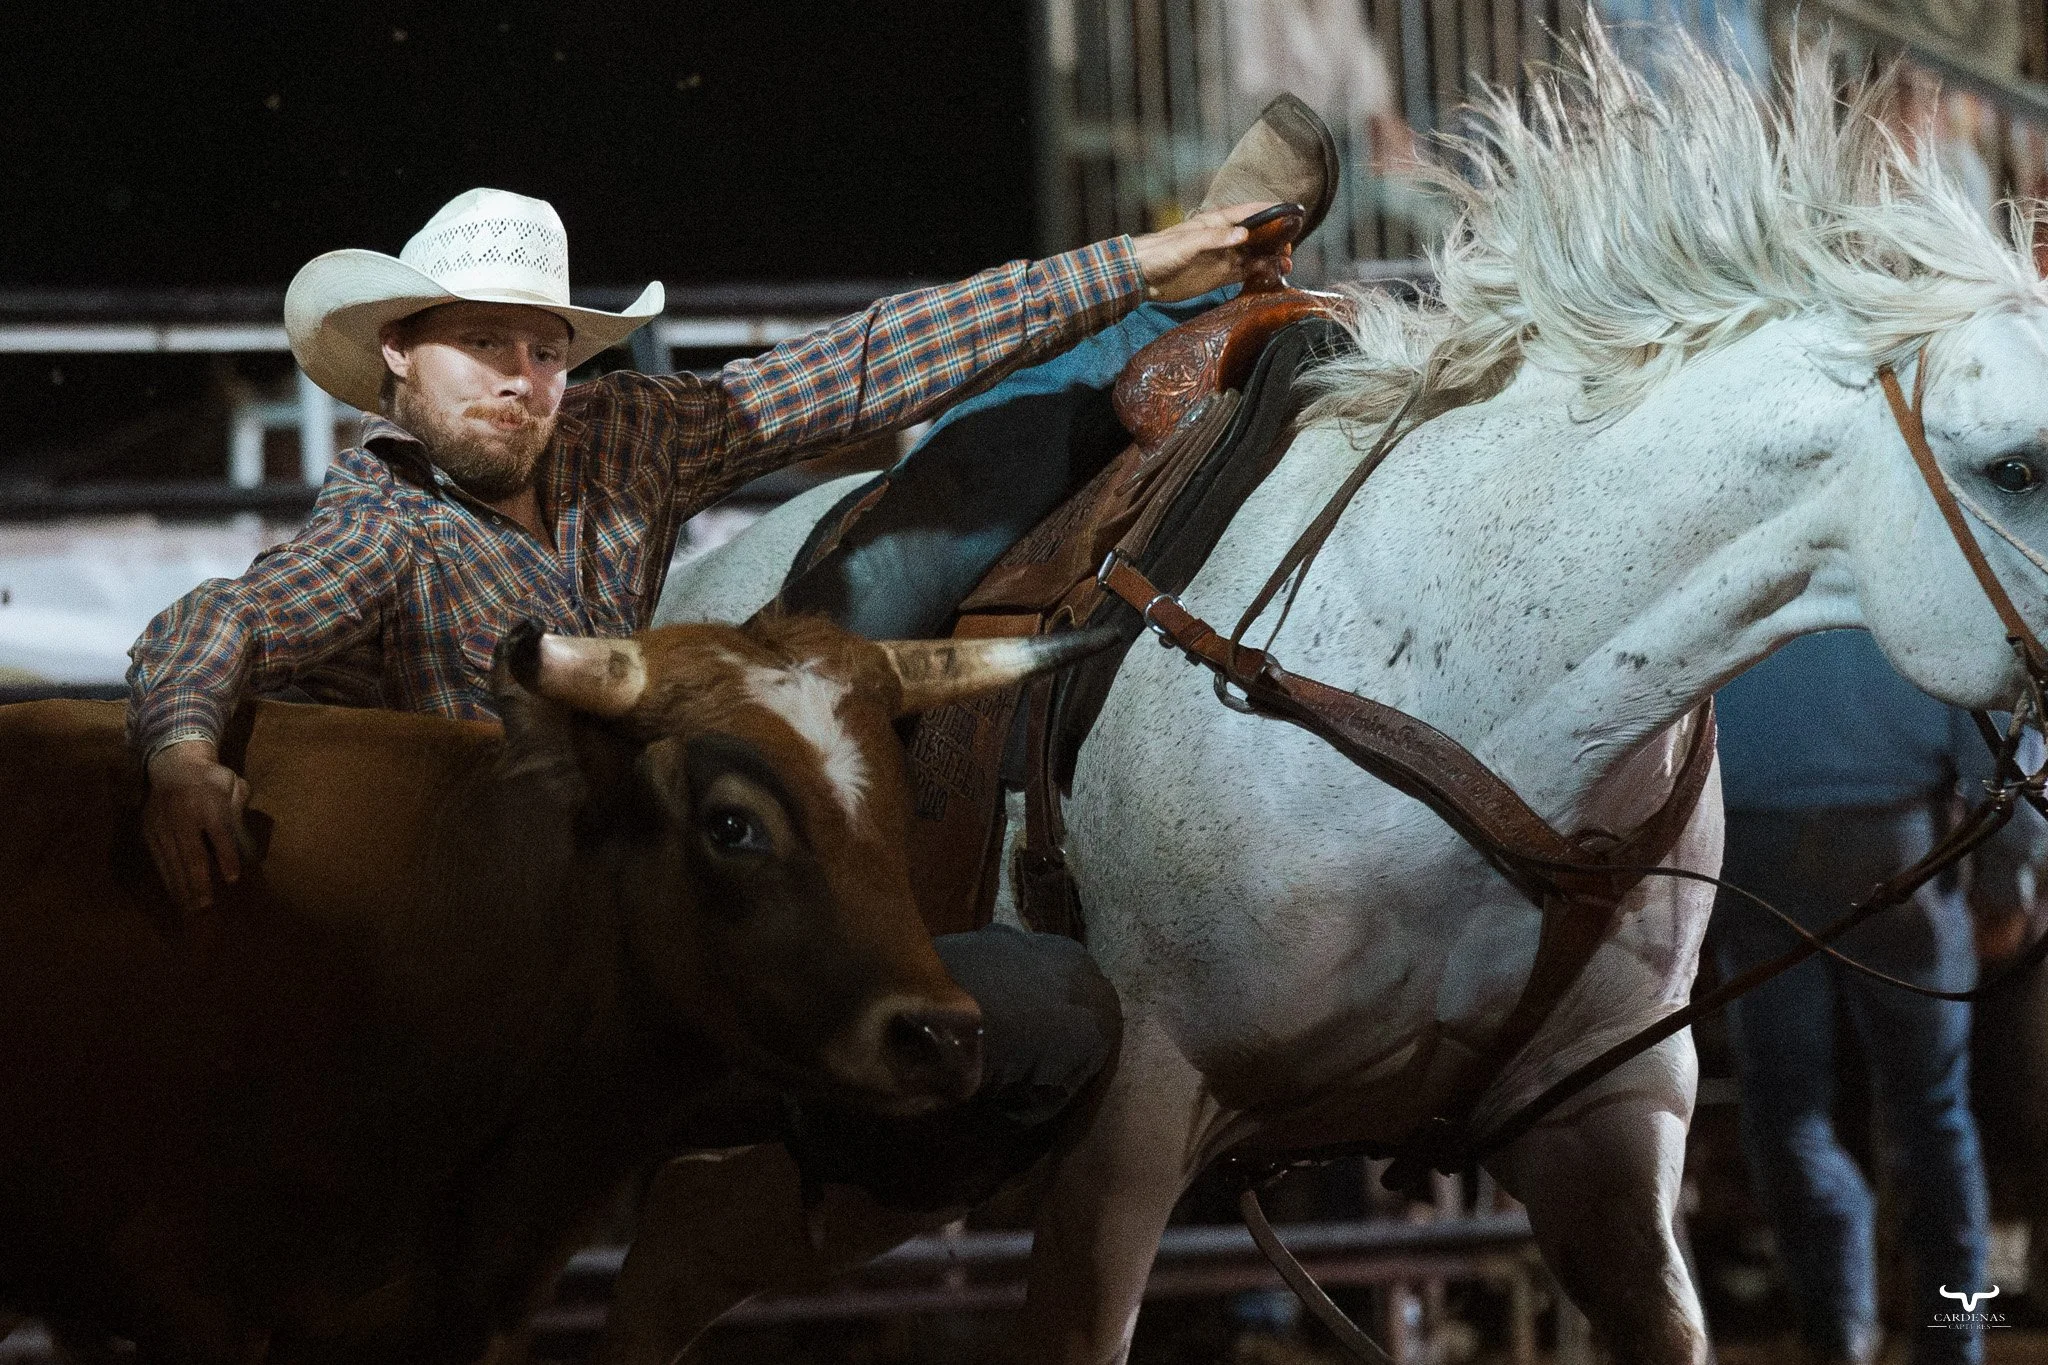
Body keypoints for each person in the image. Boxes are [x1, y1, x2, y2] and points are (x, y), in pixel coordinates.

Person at [1712, 629, 2046, 1365]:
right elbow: (1999, 748)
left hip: (1752, 849)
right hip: (1902, 848)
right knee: (1931, 1107)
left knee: (1784, 1106)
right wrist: (2008, 881)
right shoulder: (1904, 583)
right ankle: (1951, 1340)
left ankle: (1840, 1327)